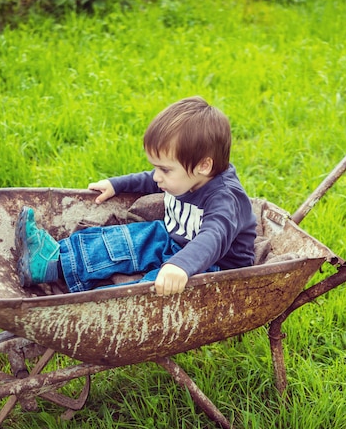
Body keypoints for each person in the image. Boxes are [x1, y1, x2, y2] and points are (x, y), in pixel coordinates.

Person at [15, 96, 257, 296]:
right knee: (125, 240)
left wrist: (179, 266)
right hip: (173, 239)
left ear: (204, 166)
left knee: (154, 288)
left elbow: (213, 237)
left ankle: (103, 307)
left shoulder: (226, 198)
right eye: (156, 167)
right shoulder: (187, 175)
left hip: (215, 266)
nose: (156, 177)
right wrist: (116, 185)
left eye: (165, 170)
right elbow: (148, 179)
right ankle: (51, 262)